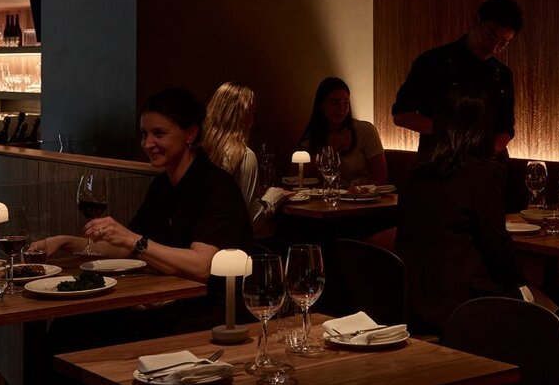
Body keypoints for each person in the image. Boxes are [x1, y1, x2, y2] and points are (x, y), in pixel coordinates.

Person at [39, 87, 254, 341]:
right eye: (144, 134)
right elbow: (125, 248)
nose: (147, 144)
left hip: (211, 313)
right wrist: (65, 242)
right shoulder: (163, 186)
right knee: (69, 324)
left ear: (191, 134)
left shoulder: (217, 186)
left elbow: (201, 266)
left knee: (84, 331)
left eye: (159, 134)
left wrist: (133, 240)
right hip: (166, 301)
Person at [395, 84, 552, 337]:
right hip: (463, 301)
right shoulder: (484, 173)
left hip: (411, 299)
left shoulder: (416, 170)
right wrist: (523, 286)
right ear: (481, 126)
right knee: (553, 312)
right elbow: (496, 247)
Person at [391, 0, 522, 156]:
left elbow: (506, 128)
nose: (494, 47)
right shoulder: (433, 62)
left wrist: (489, 149)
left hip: (488, 167)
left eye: (503, 43)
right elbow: (401, 115)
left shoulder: (502, 74)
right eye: (490, 36)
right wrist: (451, 133)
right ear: (476, 21)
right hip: (439, 163)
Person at [202, 81, 289, 240]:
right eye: (252, 114)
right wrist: (274, 198)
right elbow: (249, 221)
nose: (253, 121)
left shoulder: (198, 150)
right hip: (232, 250)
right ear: (243, 116)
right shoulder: (243, 155)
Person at [299, 77, 388, 185]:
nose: (341, 109)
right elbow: (296, 174)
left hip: (363, 196)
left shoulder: (365, 130)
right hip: (327, 196)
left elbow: (381, 178)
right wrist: (330, 150)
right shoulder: (314, 134)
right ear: (321, 105)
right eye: (335, 103)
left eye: (345, 103)